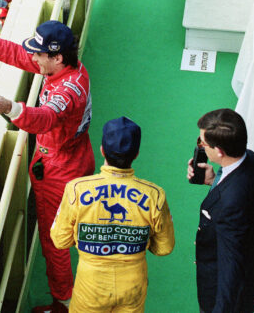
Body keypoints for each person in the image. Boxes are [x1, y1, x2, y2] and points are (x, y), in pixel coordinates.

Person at [0, 20, 94, 311]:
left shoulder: (64, 91)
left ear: (56, 57)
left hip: (58, 170)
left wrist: (11, 108)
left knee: (54, 240)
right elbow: (19, 55)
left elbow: (45, 118)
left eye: (39, 54)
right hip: (78, 156)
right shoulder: (70, 69)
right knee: (71, 222)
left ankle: (64, 300)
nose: (33, 57)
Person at [51, 117, 175, 312]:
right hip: (134, 285)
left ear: (102, 150)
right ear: (136, 154)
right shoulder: (155, 195)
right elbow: (164, 248)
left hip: (90, 285)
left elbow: (60, 240)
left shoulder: (76, 189)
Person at [187, 108, 254, 313]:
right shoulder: (253, 161)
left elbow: (231, 267)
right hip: (250, 280)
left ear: (219, 151)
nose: (200, 146)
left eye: (202, 143)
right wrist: (215, 181)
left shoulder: (230, 203)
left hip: (224, 296)